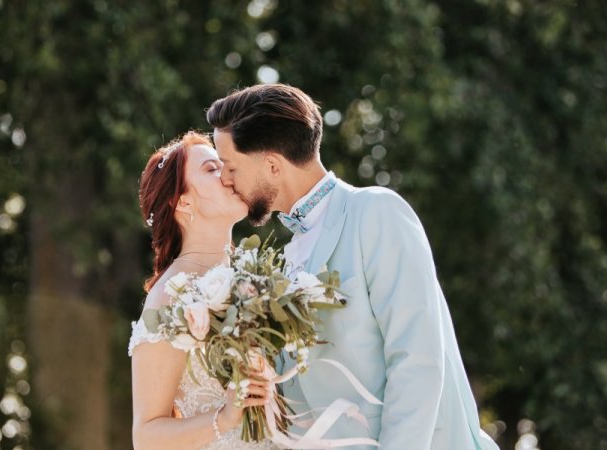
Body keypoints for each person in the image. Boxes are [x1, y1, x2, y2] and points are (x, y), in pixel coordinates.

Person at [206, 84, 500, 450]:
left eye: (231, 166)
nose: (225, 179)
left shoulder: (376, 213)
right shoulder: (284, 255)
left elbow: (417, 360)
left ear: (271, 165)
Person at [129, 131, 278, 450]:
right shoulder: (170, 297)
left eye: (226, 165)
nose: (228, 174)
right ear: (182, 201)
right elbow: (145, 436)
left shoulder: (254, 275)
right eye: (212, 169)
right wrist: (225, 417)